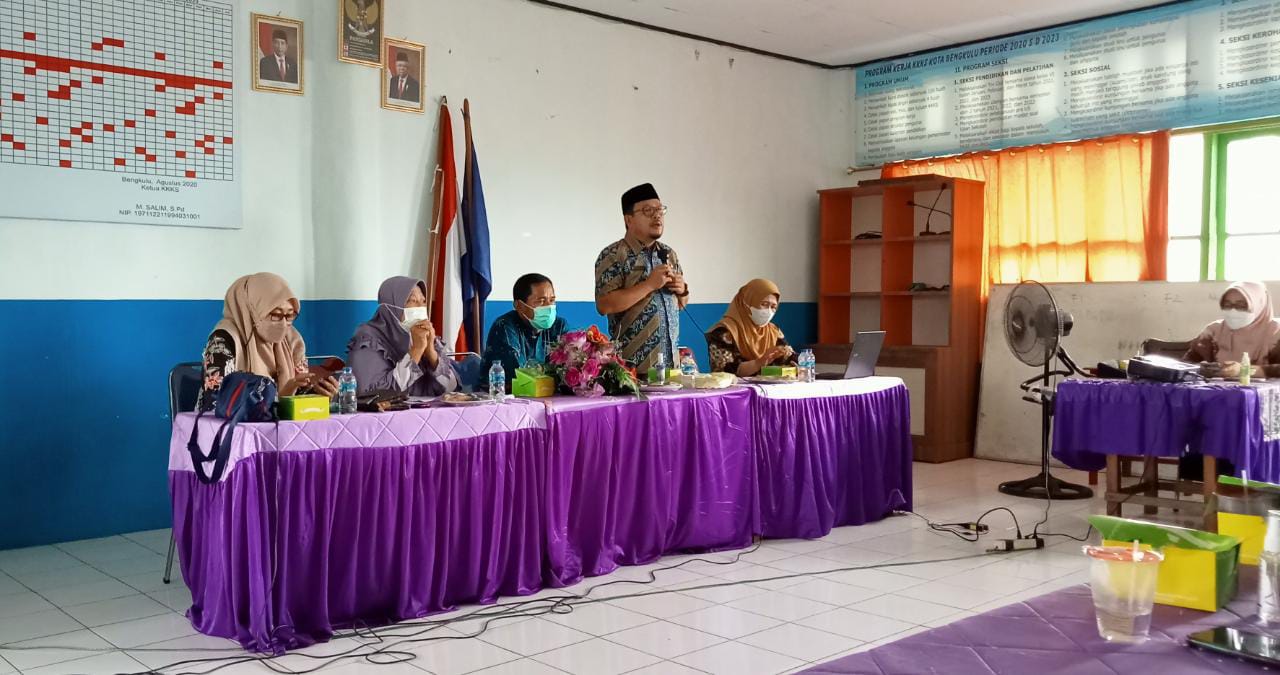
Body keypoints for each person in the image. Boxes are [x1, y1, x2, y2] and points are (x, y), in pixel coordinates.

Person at [198, 273, 336, 411]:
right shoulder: (223, 340)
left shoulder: (292, 340)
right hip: (226, 423)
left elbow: (299, 393)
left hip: (280, 422)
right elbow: (217, 403)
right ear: (253, 311)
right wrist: (280, 399)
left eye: (290, 315)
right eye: (276, 315)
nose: (284, 324)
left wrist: (319, 395)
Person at [594, 183, 688, 374]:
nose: (657, 215)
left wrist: (682, 290)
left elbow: (680, 304)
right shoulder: (613, 255)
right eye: (648, 210)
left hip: (671, 368)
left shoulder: (669, 254)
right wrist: (649, 285)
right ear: (628, 219)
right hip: (633, 371)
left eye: (660, 210)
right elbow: (604, 305)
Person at [347, 276, 459, 396]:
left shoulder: (426, 337)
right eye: (412, 301)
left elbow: (452, 387)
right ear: (390, 306)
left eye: (423, 301)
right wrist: (416, 350)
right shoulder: (368, 339)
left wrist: (431, 352)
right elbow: (375, 395)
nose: (420, 307)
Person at [481, 273, 568, 388]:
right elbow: (518, 375)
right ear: (519, 305)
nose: (549, 307)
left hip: (547, 393)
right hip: (505, 394)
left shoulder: (559, 325)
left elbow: (568, 368)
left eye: (552, 300)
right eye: (541, 301)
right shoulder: (505, 327)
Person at [706, 279, 798, 376]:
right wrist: (758, 363)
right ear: (746, 302)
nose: (769, 311)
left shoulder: (773, 331)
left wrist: (797, 364)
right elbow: (726, 369)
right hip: (735, 385)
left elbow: (789, 356)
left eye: (773, 307)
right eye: (764, 304)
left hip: (770, 385)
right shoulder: (724, 331)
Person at [1183, 281, 1280, 369]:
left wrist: (1244, 371)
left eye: (1241, 306)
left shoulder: (1275, 333)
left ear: (1259, 305)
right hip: (1216, 383)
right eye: (1227, 305)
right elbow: (1186, 364)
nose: (1233, 311)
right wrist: (1205, 369)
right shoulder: (1213, 331)